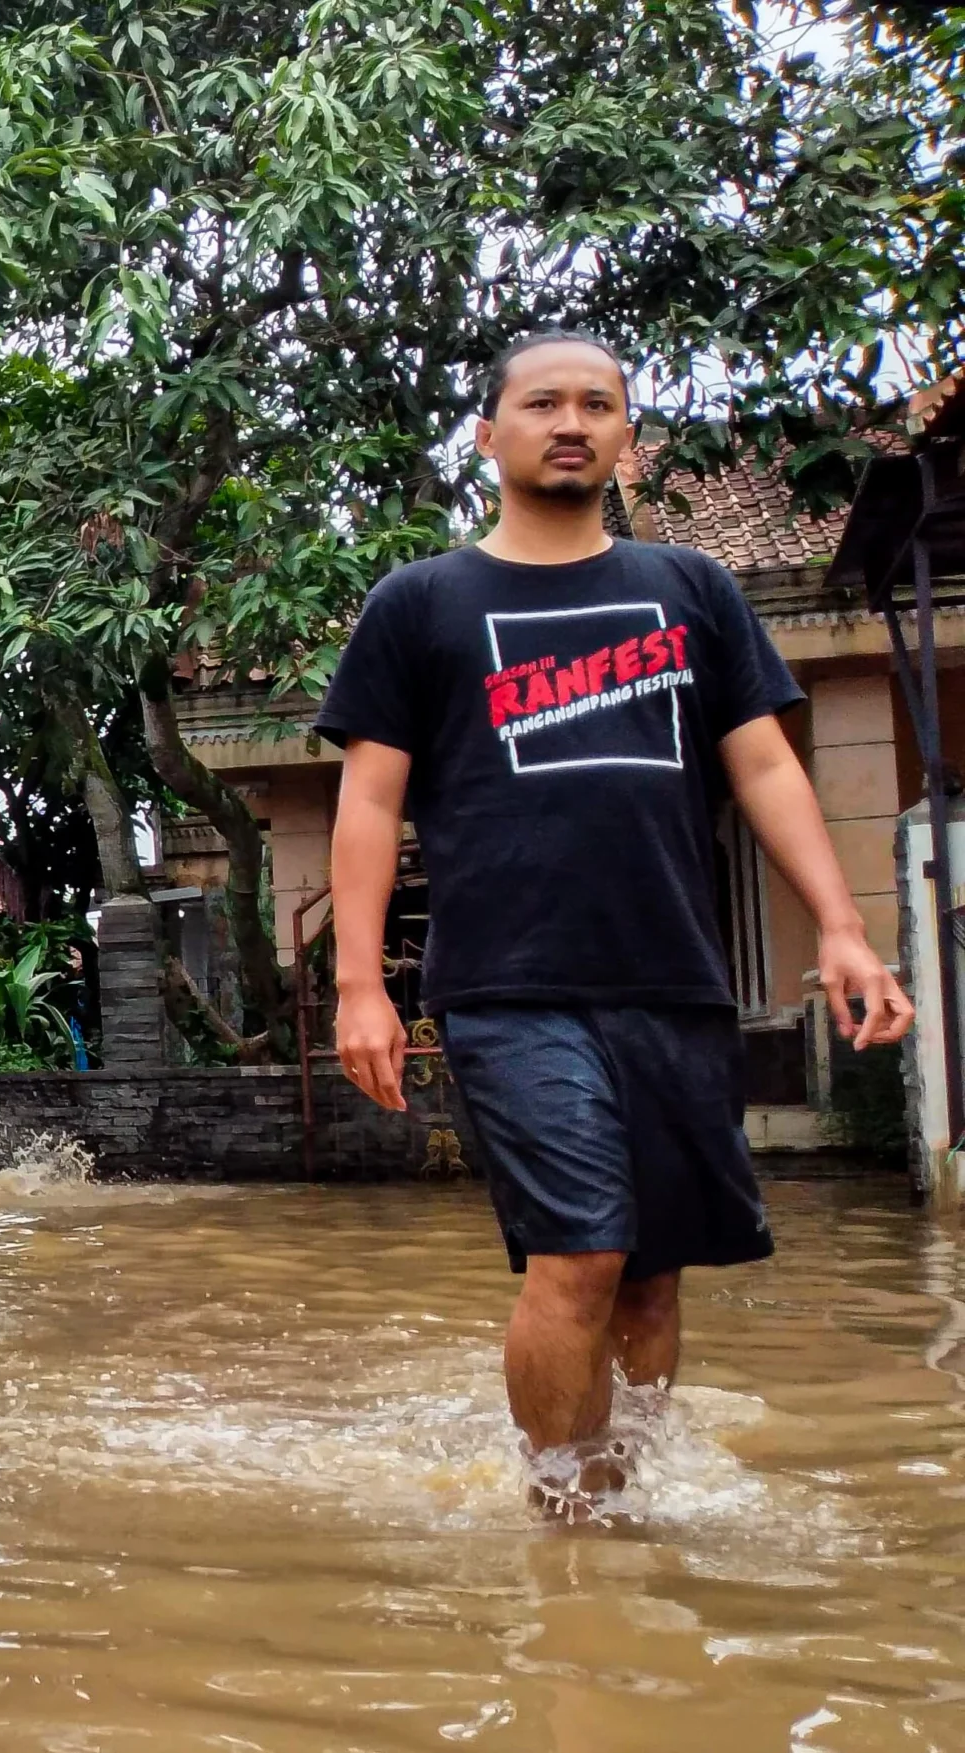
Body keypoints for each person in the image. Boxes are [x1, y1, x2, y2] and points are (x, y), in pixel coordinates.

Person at [317, 330, 913, 1515]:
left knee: (648, 1279)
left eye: (598, 404)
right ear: (489, 437)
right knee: (581, 1250)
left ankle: (626, 1490)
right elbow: (369, 799)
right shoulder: (422, 604)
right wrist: (356, 984)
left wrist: (843, 928)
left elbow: (765, 767)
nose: (571, 421)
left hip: (674, 980)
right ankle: (563, 1520)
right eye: (542, 403)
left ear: (627, 439)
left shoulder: (689, 589)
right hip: (507, 984)